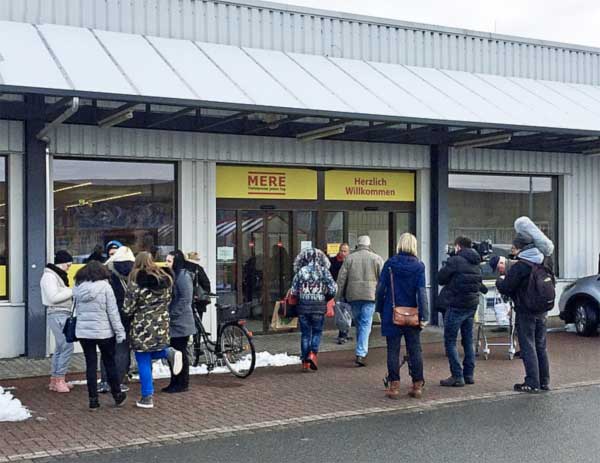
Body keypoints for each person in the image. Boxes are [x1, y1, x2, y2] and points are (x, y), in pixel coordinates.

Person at [122, 252, 183, 409]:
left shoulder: (135, 281)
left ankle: (147, 396)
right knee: (150, 353)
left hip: (142, 324)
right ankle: (167, 353)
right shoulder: (165, 279)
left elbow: (128, 308)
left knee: (142, 358)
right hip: (162, 322)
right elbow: (170, 300)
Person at [496, 233, 553, 393]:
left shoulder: (522, 265)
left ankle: (532, 382)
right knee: (541, 345)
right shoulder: (544, 260)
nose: (513, 251)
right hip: (542, 310)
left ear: (521, 248)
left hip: (526, 310)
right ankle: (544, 381)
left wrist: (500, 280)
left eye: (514, 247)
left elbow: (507, 287)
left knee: (528, 346)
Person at [376, 233, 429, 399]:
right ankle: (417, 385)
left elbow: (380, 288)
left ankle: (394, 386)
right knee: (415, 349)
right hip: (412, 314)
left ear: (399, 244)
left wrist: (379, 308)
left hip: (391, 313)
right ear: (414, 245)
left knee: (393, 350)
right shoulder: (419, 266)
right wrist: (424, 316)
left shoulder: (390, 264)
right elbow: (422, 293)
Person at [73, 261, 128, 410]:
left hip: (84, 332)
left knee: (90, 365)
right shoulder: (105, 287)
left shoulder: (78, 287)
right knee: (109, 362)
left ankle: (93, 400)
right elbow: (113, 312)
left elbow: (77, 310)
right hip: (104, 332)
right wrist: (119, 331)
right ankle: (117, 394)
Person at [438, 237, 487, 387]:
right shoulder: (476, 262)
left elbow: (440, 278)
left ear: (458, 246)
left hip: (456, 305)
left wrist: (449, 263)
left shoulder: (455, 261)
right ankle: (469, 374)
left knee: (450, 341)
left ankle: (457, 375)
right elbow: (479, 284)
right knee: (468, 340)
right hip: (471, 305)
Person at [335, 236, 384, 367]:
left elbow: (341, 279)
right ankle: (361, 353)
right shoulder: (377, 258)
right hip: (370, 296)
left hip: (353, 296)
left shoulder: (349, 258)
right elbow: (383, 279)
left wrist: (338, 296)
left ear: (357, 245)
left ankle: (360, 350)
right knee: (365, 324)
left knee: (358, 323)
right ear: (369, 244)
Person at [290, 248, 337, 372]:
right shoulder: (324, 271)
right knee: (317, 332)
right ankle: (313, 354)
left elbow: (293, 290)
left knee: (305, 334)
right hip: (318, 306)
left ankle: (305, 361)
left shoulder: (301, 271)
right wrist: (326, 297)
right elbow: (333, 288)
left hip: (303, 307)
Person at [98, 246, 136, 394]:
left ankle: (105, 381)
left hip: (108, 314)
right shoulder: (135, 271)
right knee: (122, 348)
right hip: (126, 314)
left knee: (106, 348)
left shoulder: (106, 270)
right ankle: (119, 381)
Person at [41, 250, 75, 393]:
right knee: (66, 346)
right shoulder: (49, 277)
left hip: (61, 313)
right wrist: (72, 291)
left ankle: (56, 380)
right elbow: (53, 297)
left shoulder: (55, 276)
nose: (69, 268)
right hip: (57, 313)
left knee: (61, 347)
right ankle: (59, 379)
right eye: (68, 265)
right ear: (62, 263)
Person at [164, 250, 197, 393]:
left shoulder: (183, 277)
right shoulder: (174, 276)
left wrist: (172, 314)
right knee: (174, 353)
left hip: (181, 322)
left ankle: (182, 383)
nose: (166, 263)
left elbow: (185, 299)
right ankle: (175, 381)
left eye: (169, 261)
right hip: (175, 321)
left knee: (180, 353)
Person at [330, 243, 351, 344]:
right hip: (339, 291)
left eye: (345, 251)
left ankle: (344, 333)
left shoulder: (350, 261)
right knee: (341, 312)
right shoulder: (333, 262)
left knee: (347, 313)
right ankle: (342, 335)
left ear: (348, 252)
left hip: (349, 291)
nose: (343, 253)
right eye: (341, 250)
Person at [185, 251, 212, 316]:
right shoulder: (198, 268)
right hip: (197, 301)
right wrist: (205, 293)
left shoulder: (183, 268)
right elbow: (206, 283)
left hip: (184, 301)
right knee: (197, 322)